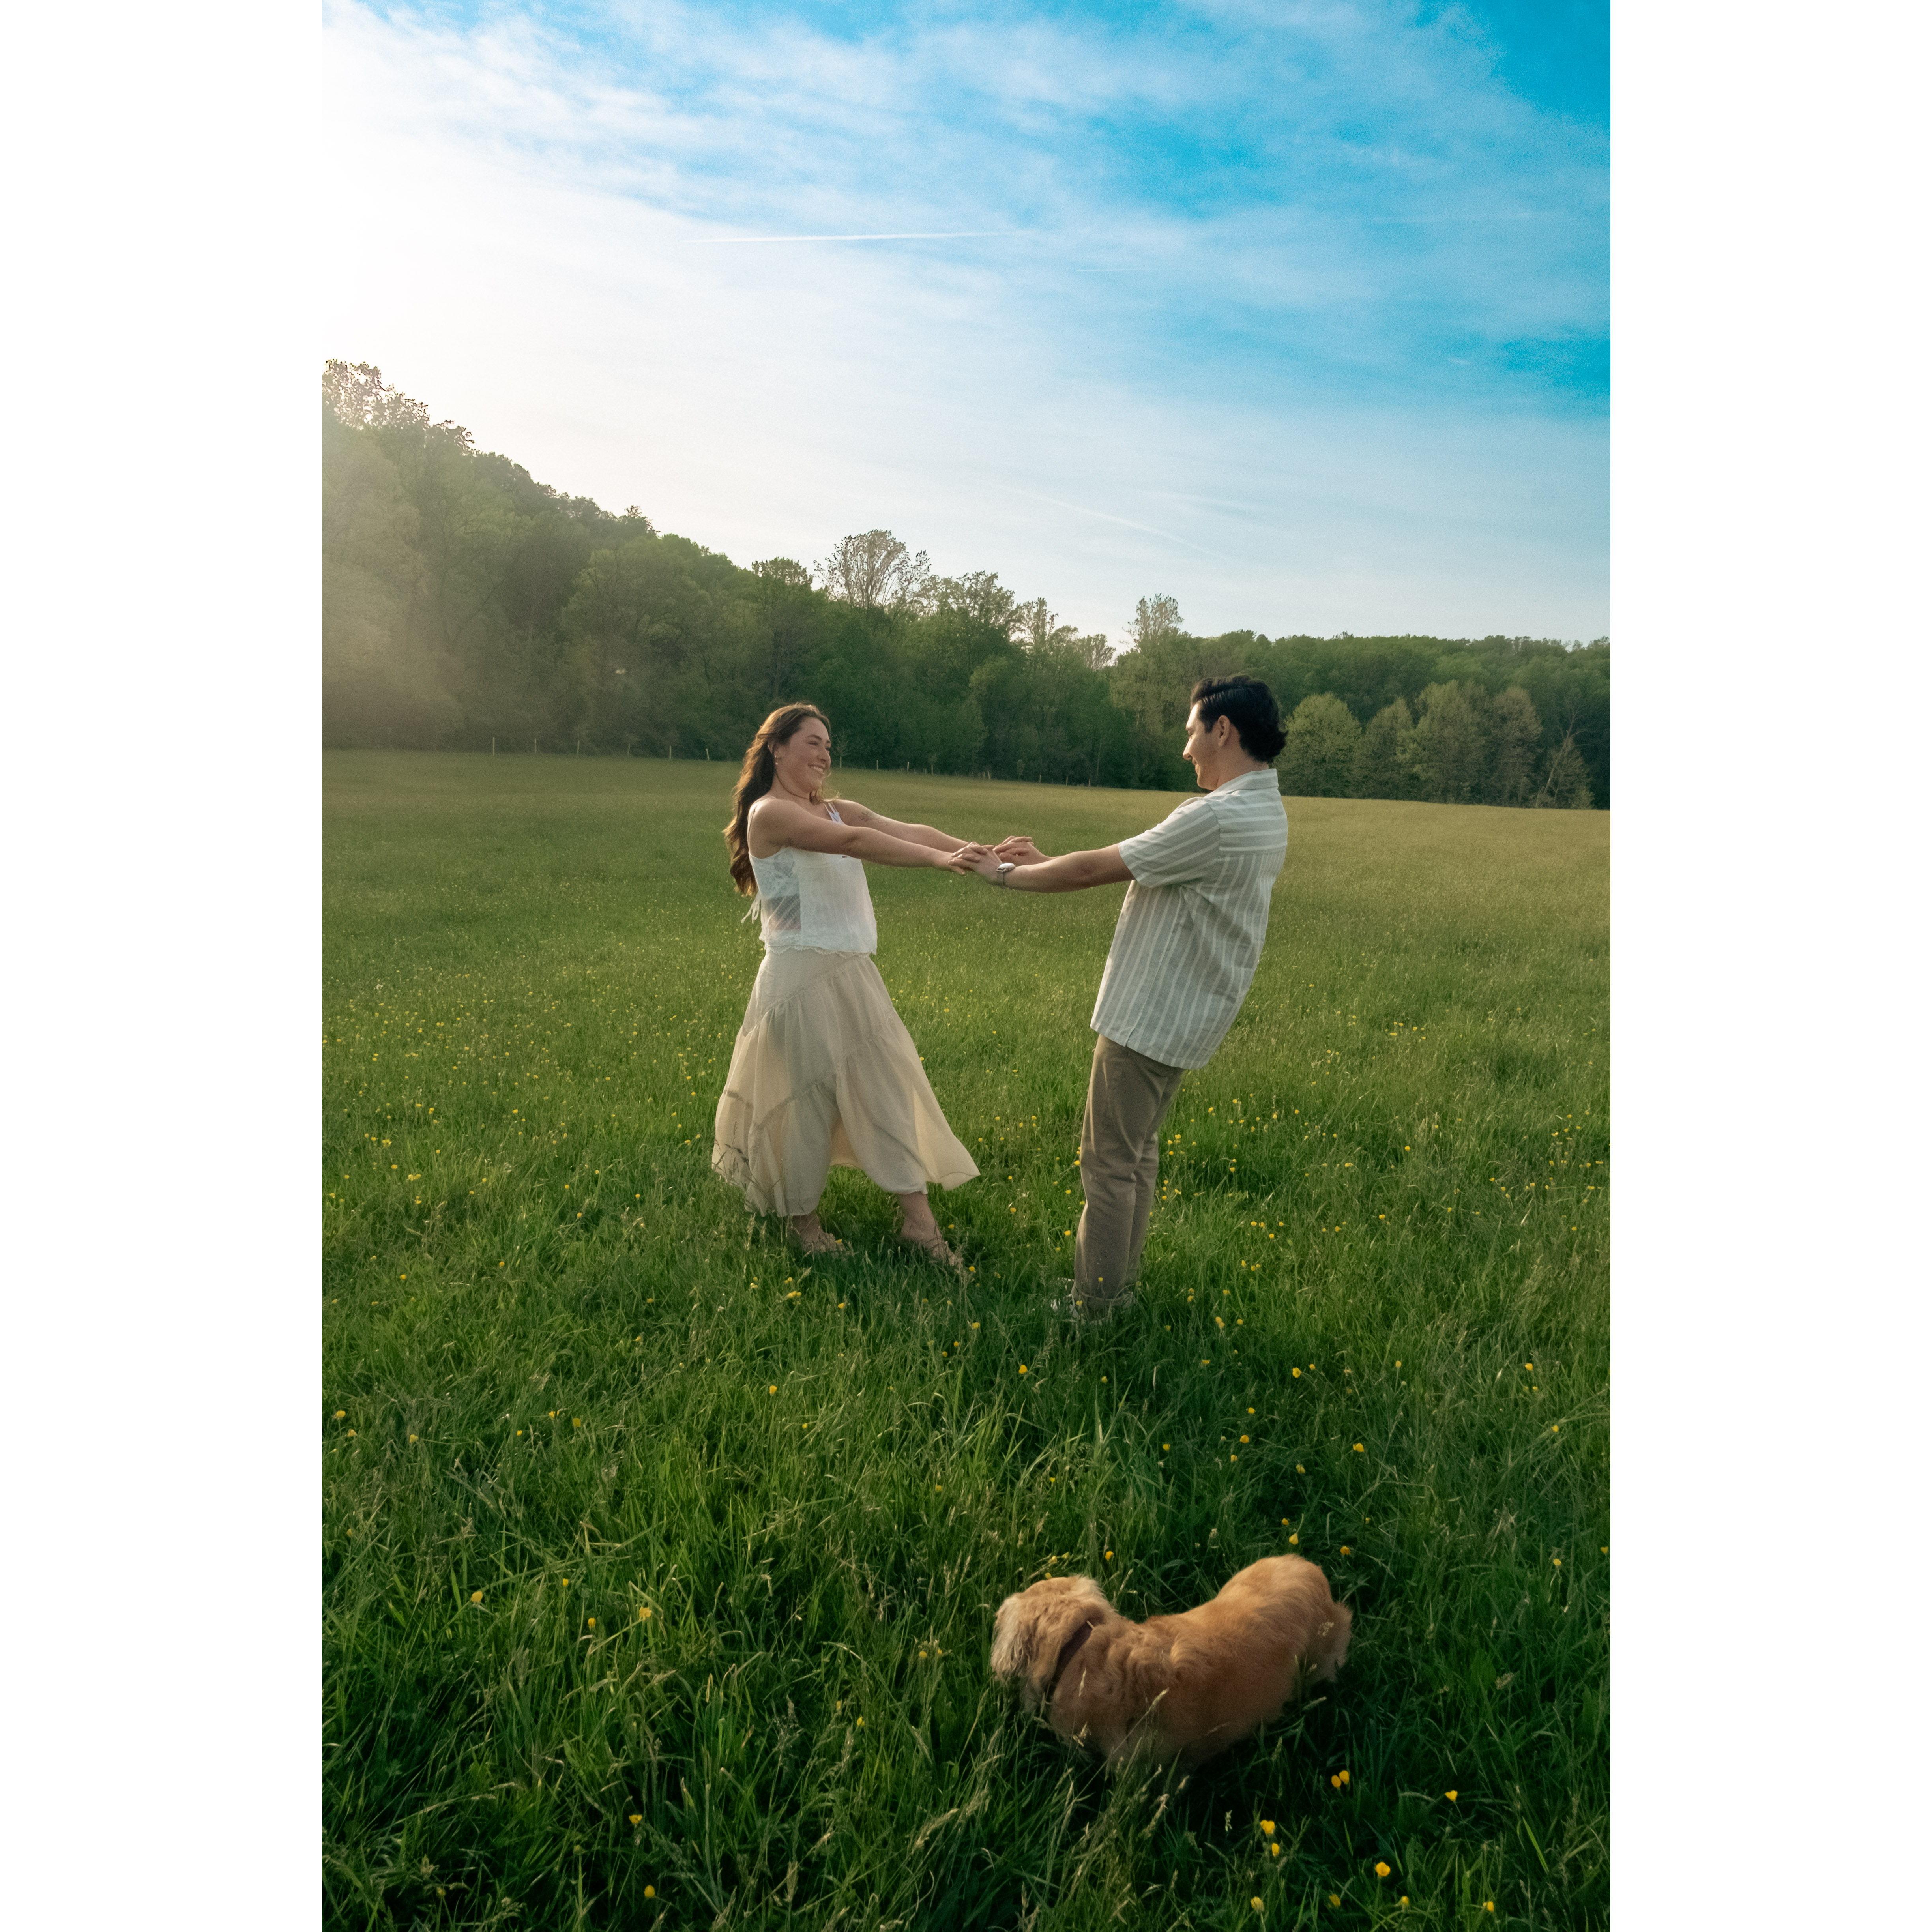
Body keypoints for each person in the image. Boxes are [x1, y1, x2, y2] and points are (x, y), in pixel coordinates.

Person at [964, 675, 1290, 1320]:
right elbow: (1152, 872)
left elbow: (1094, 869)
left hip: (1149, 1015)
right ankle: (1119, 1291)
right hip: (1189, 1015)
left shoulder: (1216, 817)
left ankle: (1095, 1307)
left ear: (1223, 730)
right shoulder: (1262, 811)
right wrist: (1043, 861)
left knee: (1109, 1164)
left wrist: (1003, 874)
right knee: (1137, 1157)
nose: (1187, 749)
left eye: (1192, 732)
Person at [712, 703, 988, 1265]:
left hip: (851, 974)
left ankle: (919, 1225)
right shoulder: (769, 813)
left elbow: (900, 829)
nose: (825, 754)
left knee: (887, 1088)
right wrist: (939, 862)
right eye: (812, 742)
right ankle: (803, 1224)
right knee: (803, 1103)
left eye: (828, 745)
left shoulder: (837, 809)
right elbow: (853, 844)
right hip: (798, 980)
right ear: (777, 749)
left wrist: (975, 851)